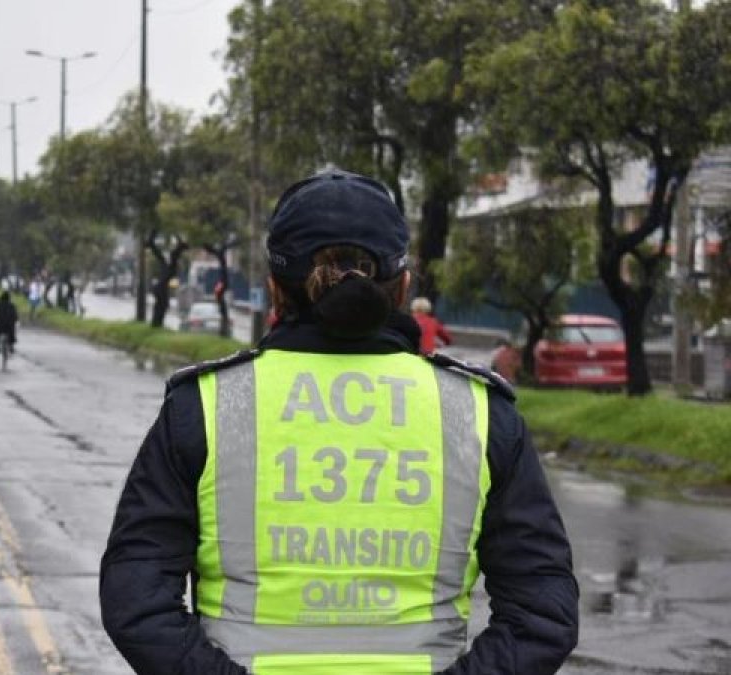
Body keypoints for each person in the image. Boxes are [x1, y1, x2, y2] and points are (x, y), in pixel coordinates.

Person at [100, 171, 578, 674]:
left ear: (274, 291)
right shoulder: (478, 414)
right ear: (403, 287)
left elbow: (136, 601)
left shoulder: (207, 406)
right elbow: (542, 615)